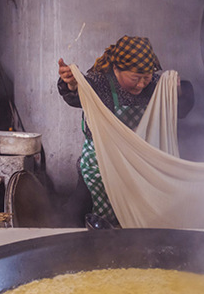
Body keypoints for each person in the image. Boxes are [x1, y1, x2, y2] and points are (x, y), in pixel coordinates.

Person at [58, 35, 194, 227]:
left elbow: (181, 110)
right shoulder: (99, 83)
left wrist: (177, 90)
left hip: (140, 167)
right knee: (75, 216)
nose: (141, 84)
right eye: (135, 78)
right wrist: (72, 83)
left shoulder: (155, 85)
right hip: (100, 164)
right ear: (116, 69)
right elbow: (76, 95)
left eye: (146, 78)